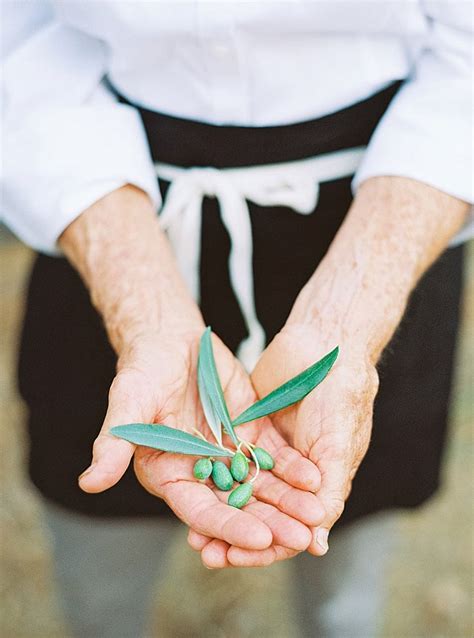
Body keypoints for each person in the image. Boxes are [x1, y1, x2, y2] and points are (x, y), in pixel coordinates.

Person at [2, 2, 472, 637]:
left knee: (343, 555)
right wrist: (144, 312)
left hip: (383, 213)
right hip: (103, 201)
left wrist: (350, 318)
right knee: (100, 572)